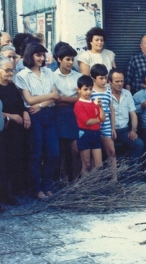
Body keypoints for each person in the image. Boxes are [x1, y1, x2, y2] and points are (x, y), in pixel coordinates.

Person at [15, 42, 61, 199]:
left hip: (47, 112)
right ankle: (36, 188)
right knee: (37, 153)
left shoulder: (48, 72)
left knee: (54, 152)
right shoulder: (22, 75)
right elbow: (28, 99)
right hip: (34, 116)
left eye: (43, 55)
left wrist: (41, 104)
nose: (41, 58)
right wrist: (48, 97)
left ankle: (47, 185)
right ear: (30, 55)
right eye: (38, 55)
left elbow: (56, 95)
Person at [0, 56, 30, 202]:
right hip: (4, 130)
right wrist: (11, 116)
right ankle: (6, 194)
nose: (10, 73)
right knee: (5, 161)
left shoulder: (12, 86)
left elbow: (20, 104)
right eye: (7, 70)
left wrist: (25, 113)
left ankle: (17, 189)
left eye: (11, 70)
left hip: (17, 129)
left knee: (17, 158)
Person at [53, 42, 82, 182]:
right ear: (59, 59)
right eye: (67, 59)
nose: (71, 62)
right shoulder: (52, 76)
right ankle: (64, 180)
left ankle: (76, 180)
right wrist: (72, 99)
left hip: (76, 114)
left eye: (72, 59)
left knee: (76, 150)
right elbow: (54, 101)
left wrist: (63, 98)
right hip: (60, 115)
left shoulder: (78, 77)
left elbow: (81, 99)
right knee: (62, 151)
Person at [90, 64, 117, 182]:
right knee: (94, 154)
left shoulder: (108, 90)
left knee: (111, 152)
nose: (104, 81)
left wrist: (113, 128)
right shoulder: (90, 90)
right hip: (93, 125)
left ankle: (114, 179)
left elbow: (111, 110)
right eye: (101, 78)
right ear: (93, 78)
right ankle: (95, 180)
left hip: (106, 125)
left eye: (105, 78)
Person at [74, 75, 105, 177]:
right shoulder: (78, 104)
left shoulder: (94, 102)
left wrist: (100, 107)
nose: (88, 92)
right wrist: (98, 120)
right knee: (86, 164)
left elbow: (103, 118)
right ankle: (84, 187)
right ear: (79, 90)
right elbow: (87, 121)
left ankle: (94, 185)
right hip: (85, 134)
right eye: (85, 89)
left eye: (90, 89)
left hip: (95, 133)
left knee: (98, 164)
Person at [109, 68, 144, 158]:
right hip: (108, 131)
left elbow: (133, 114)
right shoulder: (106, 94)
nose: (120, 84)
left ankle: (131, 171)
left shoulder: (127, 93)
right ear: (110, 82)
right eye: (117, 81)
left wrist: (133, 130)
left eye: (122, 81)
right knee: (109, 151)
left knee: (139, 144)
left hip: (124, 130)